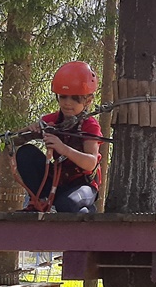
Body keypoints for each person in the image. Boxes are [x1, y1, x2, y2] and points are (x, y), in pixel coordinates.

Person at [15, 61, 102, 213]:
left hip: (82, 185)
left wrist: (63, 149)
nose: (68, 103)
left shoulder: (90, 125)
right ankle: (39, 201)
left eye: (76, 98)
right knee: (25, 152)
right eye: (63, 97)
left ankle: (88, 210)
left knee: (67, 205)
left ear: (88, 100)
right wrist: (28, 132)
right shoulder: (52, 120)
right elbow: (14, 140)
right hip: (57, 182)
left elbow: (90, 163)